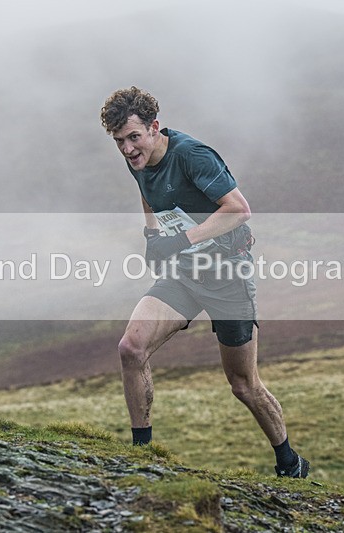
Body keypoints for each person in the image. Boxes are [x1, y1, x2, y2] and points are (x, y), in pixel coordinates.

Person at [99, 86, 309, 478]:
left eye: (133, 137)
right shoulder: (137, 159)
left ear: (155, 127)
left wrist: (180, 240)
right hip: (184, 273)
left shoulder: (192, 155)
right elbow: (146, 191)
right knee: (131, 348)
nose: (127, 149)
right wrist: (151, 236)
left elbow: (239, 210)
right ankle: (142, 457)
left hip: (228, 274)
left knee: (243, 385)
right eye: (119, 142)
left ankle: (289, 462)